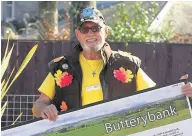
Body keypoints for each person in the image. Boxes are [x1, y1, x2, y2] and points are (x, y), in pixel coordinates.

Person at [32, 7, 192, 121]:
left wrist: (179, 90)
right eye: (84, 29)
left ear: (105, 32)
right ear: (77, 34)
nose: (90, 34)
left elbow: (155, 97)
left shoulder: (126, 64)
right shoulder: (61, 67)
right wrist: (45, 109)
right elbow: (38, 105)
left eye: (95, 28)